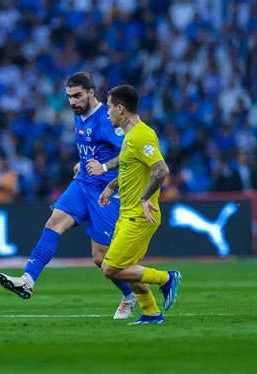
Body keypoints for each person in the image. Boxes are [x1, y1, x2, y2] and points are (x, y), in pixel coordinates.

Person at [0, 72, 137, 319]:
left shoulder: (106, 119)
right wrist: (82, 164)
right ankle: (28, 280)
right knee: (53, 223)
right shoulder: (81, 115)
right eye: (69, 97)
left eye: (77, 96)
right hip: (82, 184)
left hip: (105, 192)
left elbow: (129, 152)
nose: (72, 102)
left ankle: (130, 295)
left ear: (91, 93)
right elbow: (93, 151)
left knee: (101, 258)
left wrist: (104, 169)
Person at [98, 84, 181, 325]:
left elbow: (161, 169)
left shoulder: (142, 135)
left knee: (110, 268)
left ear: (121, 109)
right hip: (127, 214)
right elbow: (130, 168)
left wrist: (145, 198)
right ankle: (152, 313)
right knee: (127, 267)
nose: (107, 113)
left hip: (139, 215)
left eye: (110, 107)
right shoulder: (131, 136)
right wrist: (112, 185)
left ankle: (166, 278)